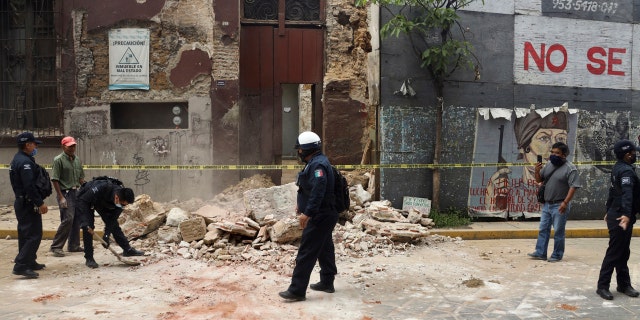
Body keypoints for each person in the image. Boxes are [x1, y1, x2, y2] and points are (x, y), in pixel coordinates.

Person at [279, 131, 339, 301]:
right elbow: (309, 188)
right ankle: (327, 282)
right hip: (325, 214)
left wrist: (307, 213)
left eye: (300, 149)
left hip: (320, 215)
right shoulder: (315, 162)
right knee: (325, 248)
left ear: (307, 149)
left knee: (306, 252)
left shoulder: (318, 166)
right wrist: (301, 203)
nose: (298, 152)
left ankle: (297, 291)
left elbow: (319, 191)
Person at [596, 140, 640, 300]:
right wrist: (627, 215)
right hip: (622, 216)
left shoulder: (618, 168)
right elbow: (627, 194)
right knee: (615, 252)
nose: (635, 154)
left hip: (617, 214)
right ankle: (602, 286)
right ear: (628, 154)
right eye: (634, 152)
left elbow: (613, 191)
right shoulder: (626, 172)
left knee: (623, 252)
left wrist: (608, 210)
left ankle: (623, 284)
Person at [527, 141, 581, 262]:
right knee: (543, 229)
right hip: (547, 204)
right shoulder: (549, 165)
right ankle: (540, 252)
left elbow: (573, 187)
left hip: (560, 204)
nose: (553, 155)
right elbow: (539, 179)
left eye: (557, 153)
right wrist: (537, 171)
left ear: (564, 155)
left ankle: (557, 254)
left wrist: (565, 203)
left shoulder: (570, 169)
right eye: (552, 152)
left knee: (558, 231)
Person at [76, 177, 144, 268]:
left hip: (102, 204)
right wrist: (84, 221)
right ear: (117, 197)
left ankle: (127, 249)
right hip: (86, 200)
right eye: (123, 204)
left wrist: (106, 236)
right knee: (88, 227)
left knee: (114, 226)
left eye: (125, 205)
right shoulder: (102, 187)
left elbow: (112, 221)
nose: (122, 206)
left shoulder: (120, 203)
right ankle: (89, 258)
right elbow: (82, 201)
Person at [9, 132, 49, 278]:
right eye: (34, 144)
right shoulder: (25, 162)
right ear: (27, 145)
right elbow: (29, 186)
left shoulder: (20, 159)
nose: (36, 146)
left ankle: (30, 261)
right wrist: (40, 203)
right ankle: (20, 265)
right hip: (27, 203)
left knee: (25, 235)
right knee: (34, 235)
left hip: (22, 202)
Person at [50, 136, 85, 257]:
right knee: (68, 219)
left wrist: (87, 188)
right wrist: (61, 197)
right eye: (69, 146)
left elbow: (81, 178)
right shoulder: (58, 160)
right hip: (65, 193)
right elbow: (55, 179)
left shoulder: (77, 160)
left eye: (74, 146)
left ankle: (74, 245)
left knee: (76, 219)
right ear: (63, 146)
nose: (72, 148)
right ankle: (56, 246)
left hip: (76, 192)